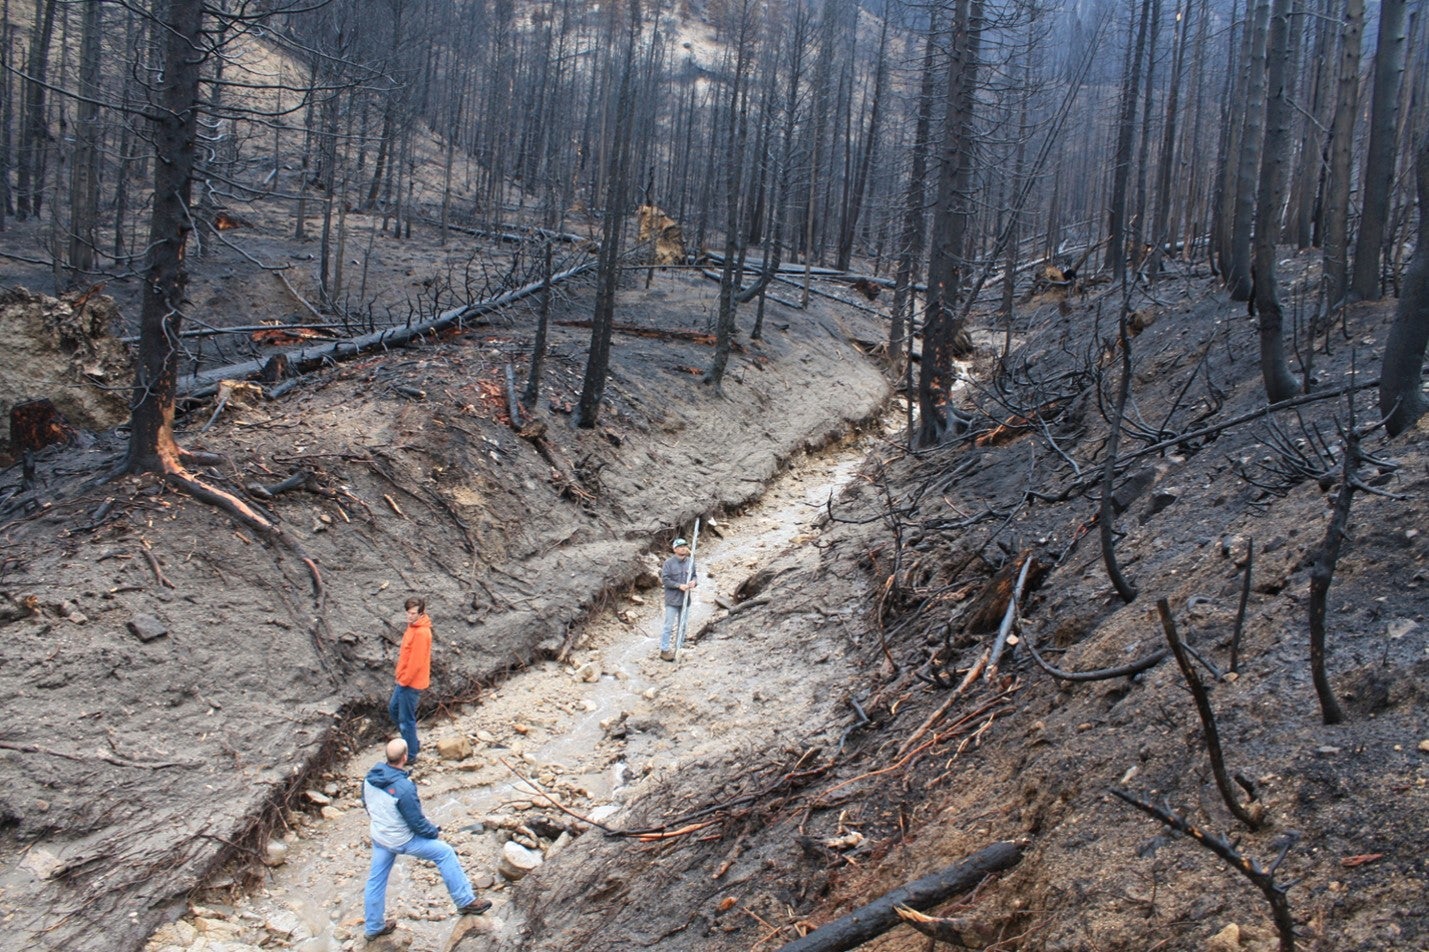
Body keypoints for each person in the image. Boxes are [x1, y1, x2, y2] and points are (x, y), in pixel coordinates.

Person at [361, 738, 491, 940]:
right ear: (405, 757)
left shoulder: (369, 778)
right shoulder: (403, 788)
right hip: (401, 840)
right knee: (444, 852)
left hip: (380, 836)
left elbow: (367, 804)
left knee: (376, 880)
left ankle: (373, 927)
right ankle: (465, 901)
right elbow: (417, 823)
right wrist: (434, 832)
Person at [389, 597, 431, 763]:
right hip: (404, 680)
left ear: (421, 613)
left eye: (413, 613)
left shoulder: (421, 632)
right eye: (408, 612)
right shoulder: (413, 627)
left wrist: (404, 680)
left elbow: (416, 662)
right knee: (393, 710)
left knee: (406, 719)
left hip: (411, 683)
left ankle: (411, 755)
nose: (409, 616)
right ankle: (412, 743)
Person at [658, 537, 697, 661]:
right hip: (672, 600)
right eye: (680, 547)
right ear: (674, 549)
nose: (683, 548)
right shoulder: (668, 563)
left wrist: (693, 583)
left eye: (685, 546)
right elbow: (665, 580)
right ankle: (664, 650)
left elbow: (695, 576)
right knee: (668, 626)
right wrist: (679, 586)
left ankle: (679, 646)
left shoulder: (690, 562)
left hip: (685, 600)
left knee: (683, 624)